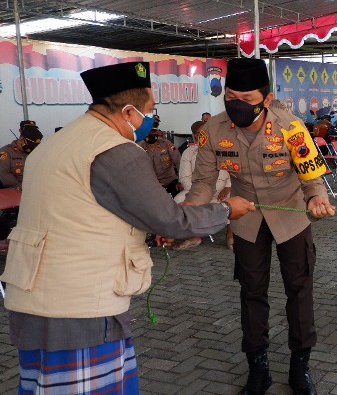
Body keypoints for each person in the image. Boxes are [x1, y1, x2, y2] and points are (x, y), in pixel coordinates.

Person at [0, 61, 256, 394]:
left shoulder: (55, 143)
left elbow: (86, 209)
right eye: (149, 110)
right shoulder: (114, 150)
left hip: (34, 299)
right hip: (79, 307)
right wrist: (227, 209)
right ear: (128, 112)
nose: (150, 118)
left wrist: (151, 222)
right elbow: (171, 219)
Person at [184, 58, 334, 395]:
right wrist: (188, 214)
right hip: (246, 217)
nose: (236, 104)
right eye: (230, 96)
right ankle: (258, 369)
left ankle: (300, 367)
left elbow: (311, 176)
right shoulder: (213, 131)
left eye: (246, 99)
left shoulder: (290, 126)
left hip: (290, 214)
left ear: (266, 99)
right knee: (251, 292)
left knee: (299, 289)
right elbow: (203, 183)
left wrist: (316, 198)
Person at [173, 120, 233, 250]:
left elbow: (233, 170)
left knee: (234, 198)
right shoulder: (189, 152)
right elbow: (184, 178)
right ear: (195, 135)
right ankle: (194, 236)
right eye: (200, 133)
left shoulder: (224, 148)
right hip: (197, 190)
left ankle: (230, 234)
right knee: (178, 200)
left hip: (222, 190)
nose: (205, 135)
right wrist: (200, 194)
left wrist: (228, 187)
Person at [139, 119, 182, 196]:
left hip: (170, 180)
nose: (152, 134)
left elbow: (179, 161)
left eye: (154, 131)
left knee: (179, 195)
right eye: (149, 132)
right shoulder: (138, 147)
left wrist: (180, 181)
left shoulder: (167, 144)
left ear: (157, 132)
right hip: (151, 183)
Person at [0, 124, 43, 190]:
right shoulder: (5, 152)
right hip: (12, 192)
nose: (30, 149)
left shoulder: (35, 152)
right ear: (21, 139)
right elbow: (3, 174)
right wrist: (22, 188)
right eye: (30, 145)